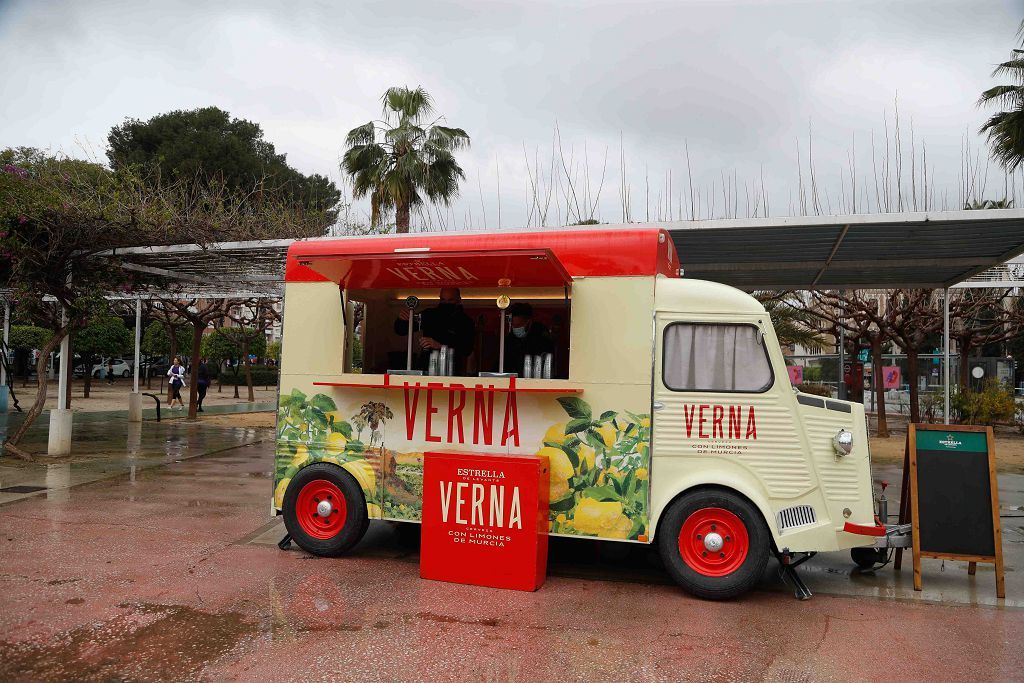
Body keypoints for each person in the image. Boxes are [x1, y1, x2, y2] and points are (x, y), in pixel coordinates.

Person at [394, 287, 475, 374]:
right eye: (443, 300)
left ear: (459, 300)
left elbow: (466, 349)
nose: (446, 303)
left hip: (451, 370)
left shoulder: (466, 322)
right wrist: (402, 319)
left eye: (450, 300)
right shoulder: (429, 315)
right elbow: (402, 330)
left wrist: (440, 346)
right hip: (425, 367)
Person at [504, 302, 554, 376]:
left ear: (529, 322)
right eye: (514, 326)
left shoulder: (541, 338)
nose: (516, 328)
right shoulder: (510, 339)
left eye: (519, 325)